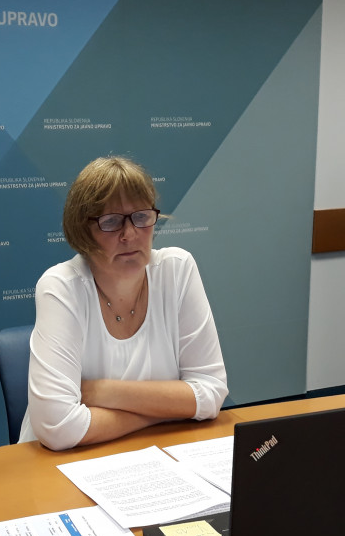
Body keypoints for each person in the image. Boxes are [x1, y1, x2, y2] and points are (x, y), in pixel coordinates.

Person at [19, 155, 228, 450]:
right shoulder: (60, 287)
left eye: (141, 217)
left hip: (151, 453)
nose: (130, 234)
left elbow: (211, 392)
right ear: (83, 231)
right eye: (111, 222)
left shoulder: (177, 269)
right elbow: (59, 427)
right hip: (61, 462)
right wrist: (162, 413)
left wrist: (101, 391)